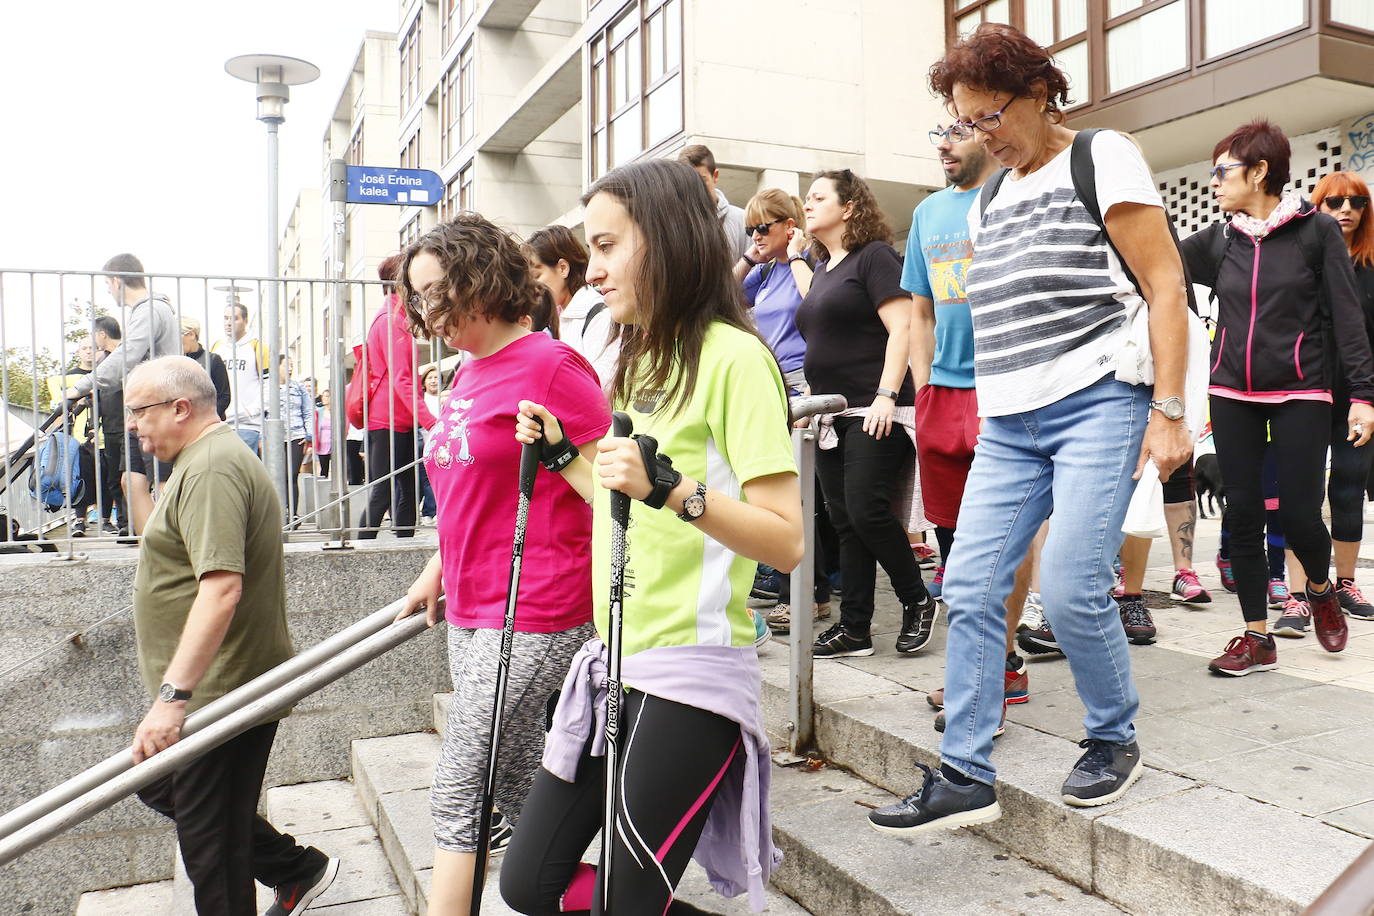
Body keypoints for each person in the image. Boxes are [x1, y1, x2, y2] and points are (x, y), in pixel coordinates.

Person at [869, 24, 1192, 835]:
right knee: (971, 587)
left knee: (1075, 589)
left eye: (990, 116)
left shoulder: (1101, 155)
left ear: (1040, 92)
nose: (981, 135)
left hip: (1099, 400)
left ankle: (1113, 736)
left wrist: (1171, 409)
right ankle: (966, 773)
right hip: (1009, 421)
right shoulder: (988, 199)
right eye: (965, 122)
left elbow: (1164, 284)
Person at [500, 159, 803, 915]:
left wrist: (673, 489)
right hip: (615, 664)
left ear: (665, 240)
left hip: (692, 677)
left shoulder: (737, 359)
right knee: (527, 881)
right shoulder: (634, 361)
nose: (591, 271)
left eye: (607, 247)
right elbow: (621, 500)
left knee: (629, 903)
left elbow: (786, 542)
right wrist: (566, 454)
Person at [391, 214, 609, 914]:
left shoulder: (552, 366)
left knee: (459, 791)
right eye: (418, 298)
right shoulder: (469, 371)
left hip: (541, 606)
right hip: (473, 605)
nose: (429, 312)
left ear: (480, 278)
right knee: (512, 791)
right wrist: (439, 567)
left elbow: (614, 490)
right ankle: (621, 901)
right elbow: (468, 490)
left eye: (437, 291)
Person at [122, 355, 338, 916]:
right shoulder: (199, 462)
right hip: (211, 686)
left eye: (138, 411)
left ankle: (294, 868)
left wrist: (173, 698)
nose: (132, 425)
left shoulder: (213, 467)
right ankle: (296, 868)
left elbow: (221, 590)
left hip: (221, 689)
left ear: (180, 407)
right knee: (162, 787)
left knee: (212, 852)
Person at [1181, 120, 1374, 675]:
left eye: (1223, 171)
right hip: (1232, 391)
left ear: (1260, 171)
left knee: (1299, 513)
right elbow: (1155, 263)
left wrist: (1362, 394)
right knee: (1241, 514)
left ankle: (1319, 588)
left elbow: (1348, 318)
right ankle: (1255, 634)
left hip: (1303, 390)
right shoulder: (1218, 240)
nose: (1214, 181)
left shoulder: (1316, 233)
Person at [903, 121, 1033, 723]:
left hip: (1004, 390)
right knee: (954, 546)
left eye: (957, 130)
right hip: (943, 399)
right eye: (939, 131)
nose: (943, 144)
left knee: (1002, 537)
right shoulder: (928, 213)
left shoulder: (1018, 191)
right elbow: (920, 311)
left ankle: (998, 666)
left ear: (988, 131)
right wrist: (925, 389)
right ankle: (979, 665)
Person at [793, 168, 937, 659]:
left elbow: (902, 329)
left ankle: (917, 600)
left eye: (818, 197)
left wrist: (886, 395)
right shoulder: (824, 267)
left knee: (868, 512)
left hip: (876, 407)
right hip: (832, 412)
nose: (806, 204)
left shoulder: (874, 257)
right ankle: (855, 628)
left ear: (849, 207)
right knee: (845, 521)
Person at [732, 188, 835, 633]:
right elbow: (724, 294)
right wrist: (752, 256)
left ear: (788, 226)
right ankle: (806, 591)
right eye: (749, 227)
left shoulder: (805, 262)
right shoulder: (765, 272)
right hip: (776, 383)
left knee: (801, 495)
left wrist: (793, 255)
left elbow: (816, 306)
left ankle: (810, 595)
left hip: (805, 382)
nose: (755, 234)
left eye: (763, 227)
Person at [64, 253, 179, 533]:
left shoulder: (150, 310)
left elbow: (125, 357)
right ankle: (150, 543)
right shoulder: (143, 312)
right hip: (142, 413)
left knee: (162, 483)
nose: (107, 289)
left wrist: (81, 386)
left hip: (159, 410)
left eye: (107, 283)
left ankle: (171, 544)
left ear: (117, 281)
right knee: (131, 480)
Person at [1306, 171, 1374, 622]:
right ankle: (1308, 587)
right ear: (1319, 208)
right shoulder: (1303, 262)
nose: (1346, 208)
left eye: (1356, 201)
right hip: (1307, 391)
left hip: (1359, 396)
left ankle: (1346, 583)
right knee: (1303, 492)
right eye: (1334, 202)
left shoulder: (1370, 266)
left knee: (1347, 487)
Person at [357, 254, 437, 539]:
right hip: (389, 419)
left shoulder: (394, 317)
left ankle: (402, 543)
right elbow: (403, 379)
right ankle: (358, 553)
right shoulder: (392, 320)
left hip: (395, 418)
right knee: (385, 489)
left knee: (404, 487)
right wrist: (430, 421)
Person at [527, 225, 619, 387]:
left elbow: (604, 386)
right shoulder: (554, 320)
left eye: (536, 276)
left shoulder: (599, 314)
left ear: (563, 268)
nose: (532, 287)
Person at [211, 302, 270, 455]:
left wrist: (253, 410)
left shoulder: (257, 347)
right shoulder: (217, 347)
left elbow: (268, 383)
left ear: (245, 320)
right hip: (220, 422)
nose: (228, 323)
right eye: (226, 318)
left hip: (247, 425)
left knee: (243, 474)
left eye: (234, 318)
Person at [678, 144, 750, 259]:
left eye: (702, 179)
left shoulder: (742, 220)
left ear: (715, 176)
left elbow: (756, 271)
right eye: (689, 181)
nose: (696, 187)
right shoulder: (675, 223)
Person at [278, 356, 313, 521]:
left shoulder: (298, 387)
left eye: (292, 365)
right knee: (278, 476)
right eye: (287, 365)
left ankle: (292, 514)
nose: (290, 369)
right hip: (275, 438)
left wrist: (309, 435)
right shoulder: (266, 386)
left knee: (291, 475)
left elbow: (308, 412)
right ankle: (279, 512)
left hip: (296, 436)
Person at [180, 316, 231, 420]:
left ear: (191, 334)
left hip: (207, 423)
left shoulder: (213, 360)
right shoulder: (176, 361)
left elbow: (224, 396)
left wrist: (206, 418)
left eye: (178, 335)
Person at [417, 366, 442, 524]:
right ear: (424, 382)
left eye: (436, 377)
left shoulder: (446, 397)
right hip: (424, 443)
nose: (434, 380)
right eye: (430, 378)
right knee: (425, 479)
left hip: (442, 445)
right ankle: (430, 511)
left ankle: (431, 510)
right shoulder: (421, 400)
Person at [314, 389, 333, 480]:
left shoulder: (336, 411)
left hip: (333, 443)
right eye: (323, 396)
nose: (324, 398)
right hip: (322, 443)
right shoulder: (318, 411)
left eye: (326, 396)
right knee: (323, 468)